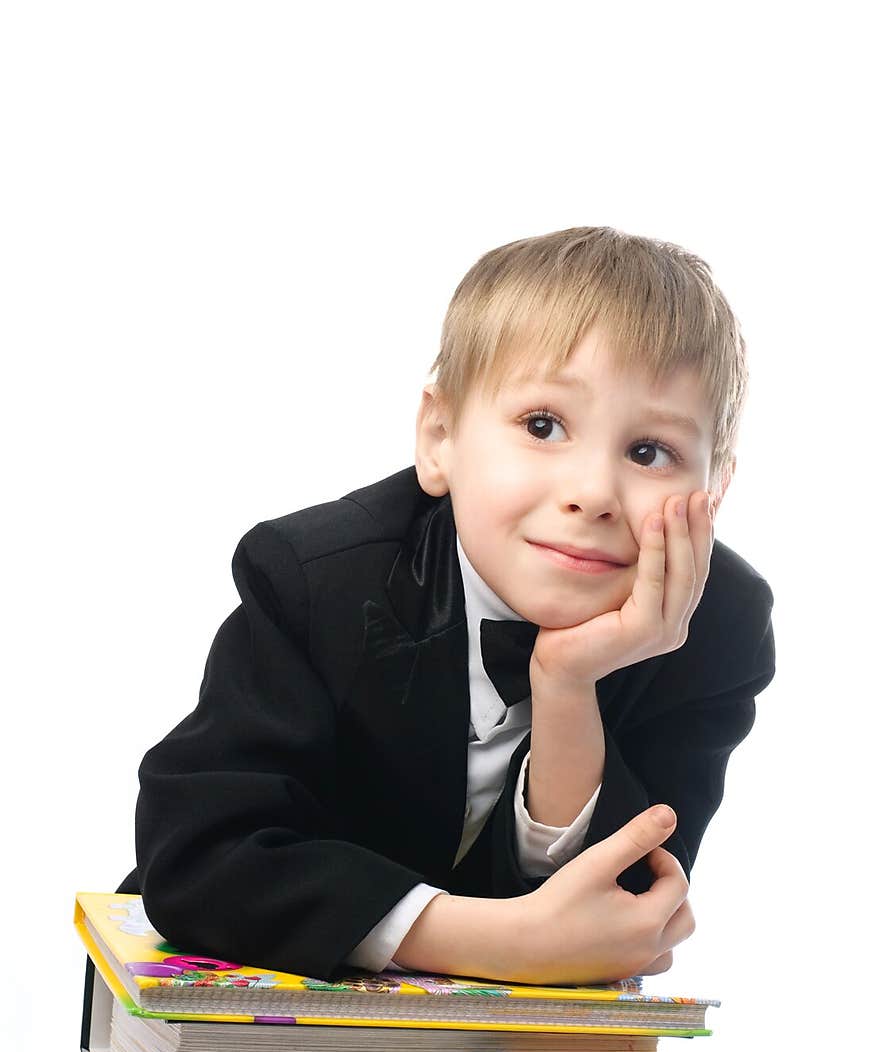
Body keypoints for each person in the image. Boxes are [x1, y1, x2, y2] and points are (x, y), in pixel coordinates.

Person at [116, 225, 775, 986]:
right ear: (440, 437)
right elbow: (198, 852)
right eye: (542, 425)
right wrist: (492, 938)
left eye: (649, 451)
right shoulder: (317, 578)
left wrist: (567, 685)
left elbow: (623, 913)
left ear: (714, 491)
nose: (592, 493)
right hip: (247, 1026)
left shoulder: (720, 630)